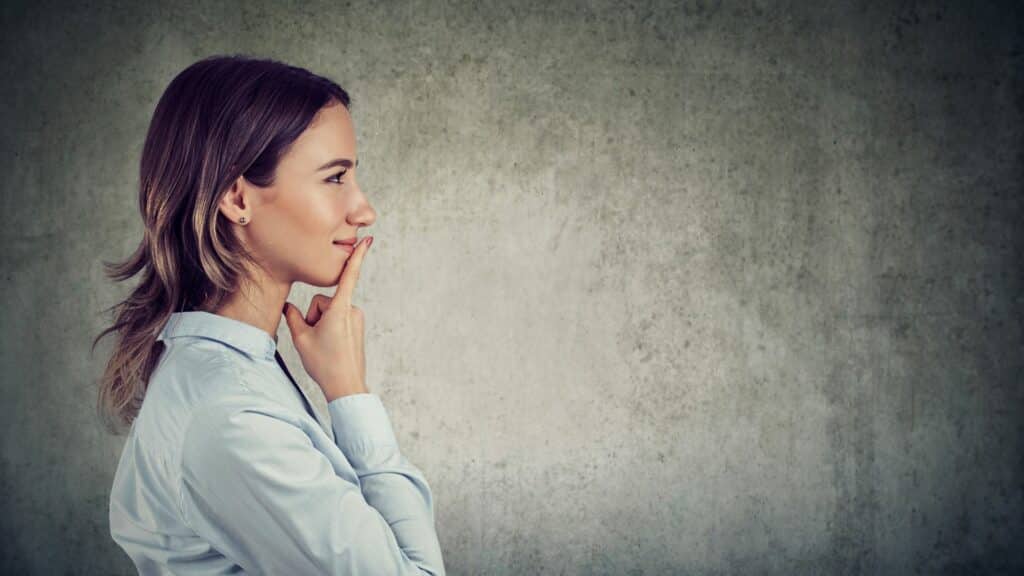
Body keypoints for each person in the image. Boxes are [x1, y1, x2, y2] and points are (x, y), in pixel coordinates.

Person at [95, 54, 445, 575]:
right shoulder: (233, 420)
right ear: (238, 198)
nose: (363, 209)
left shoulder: (239, 372)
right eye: (334, 178)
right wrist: (350, 396)